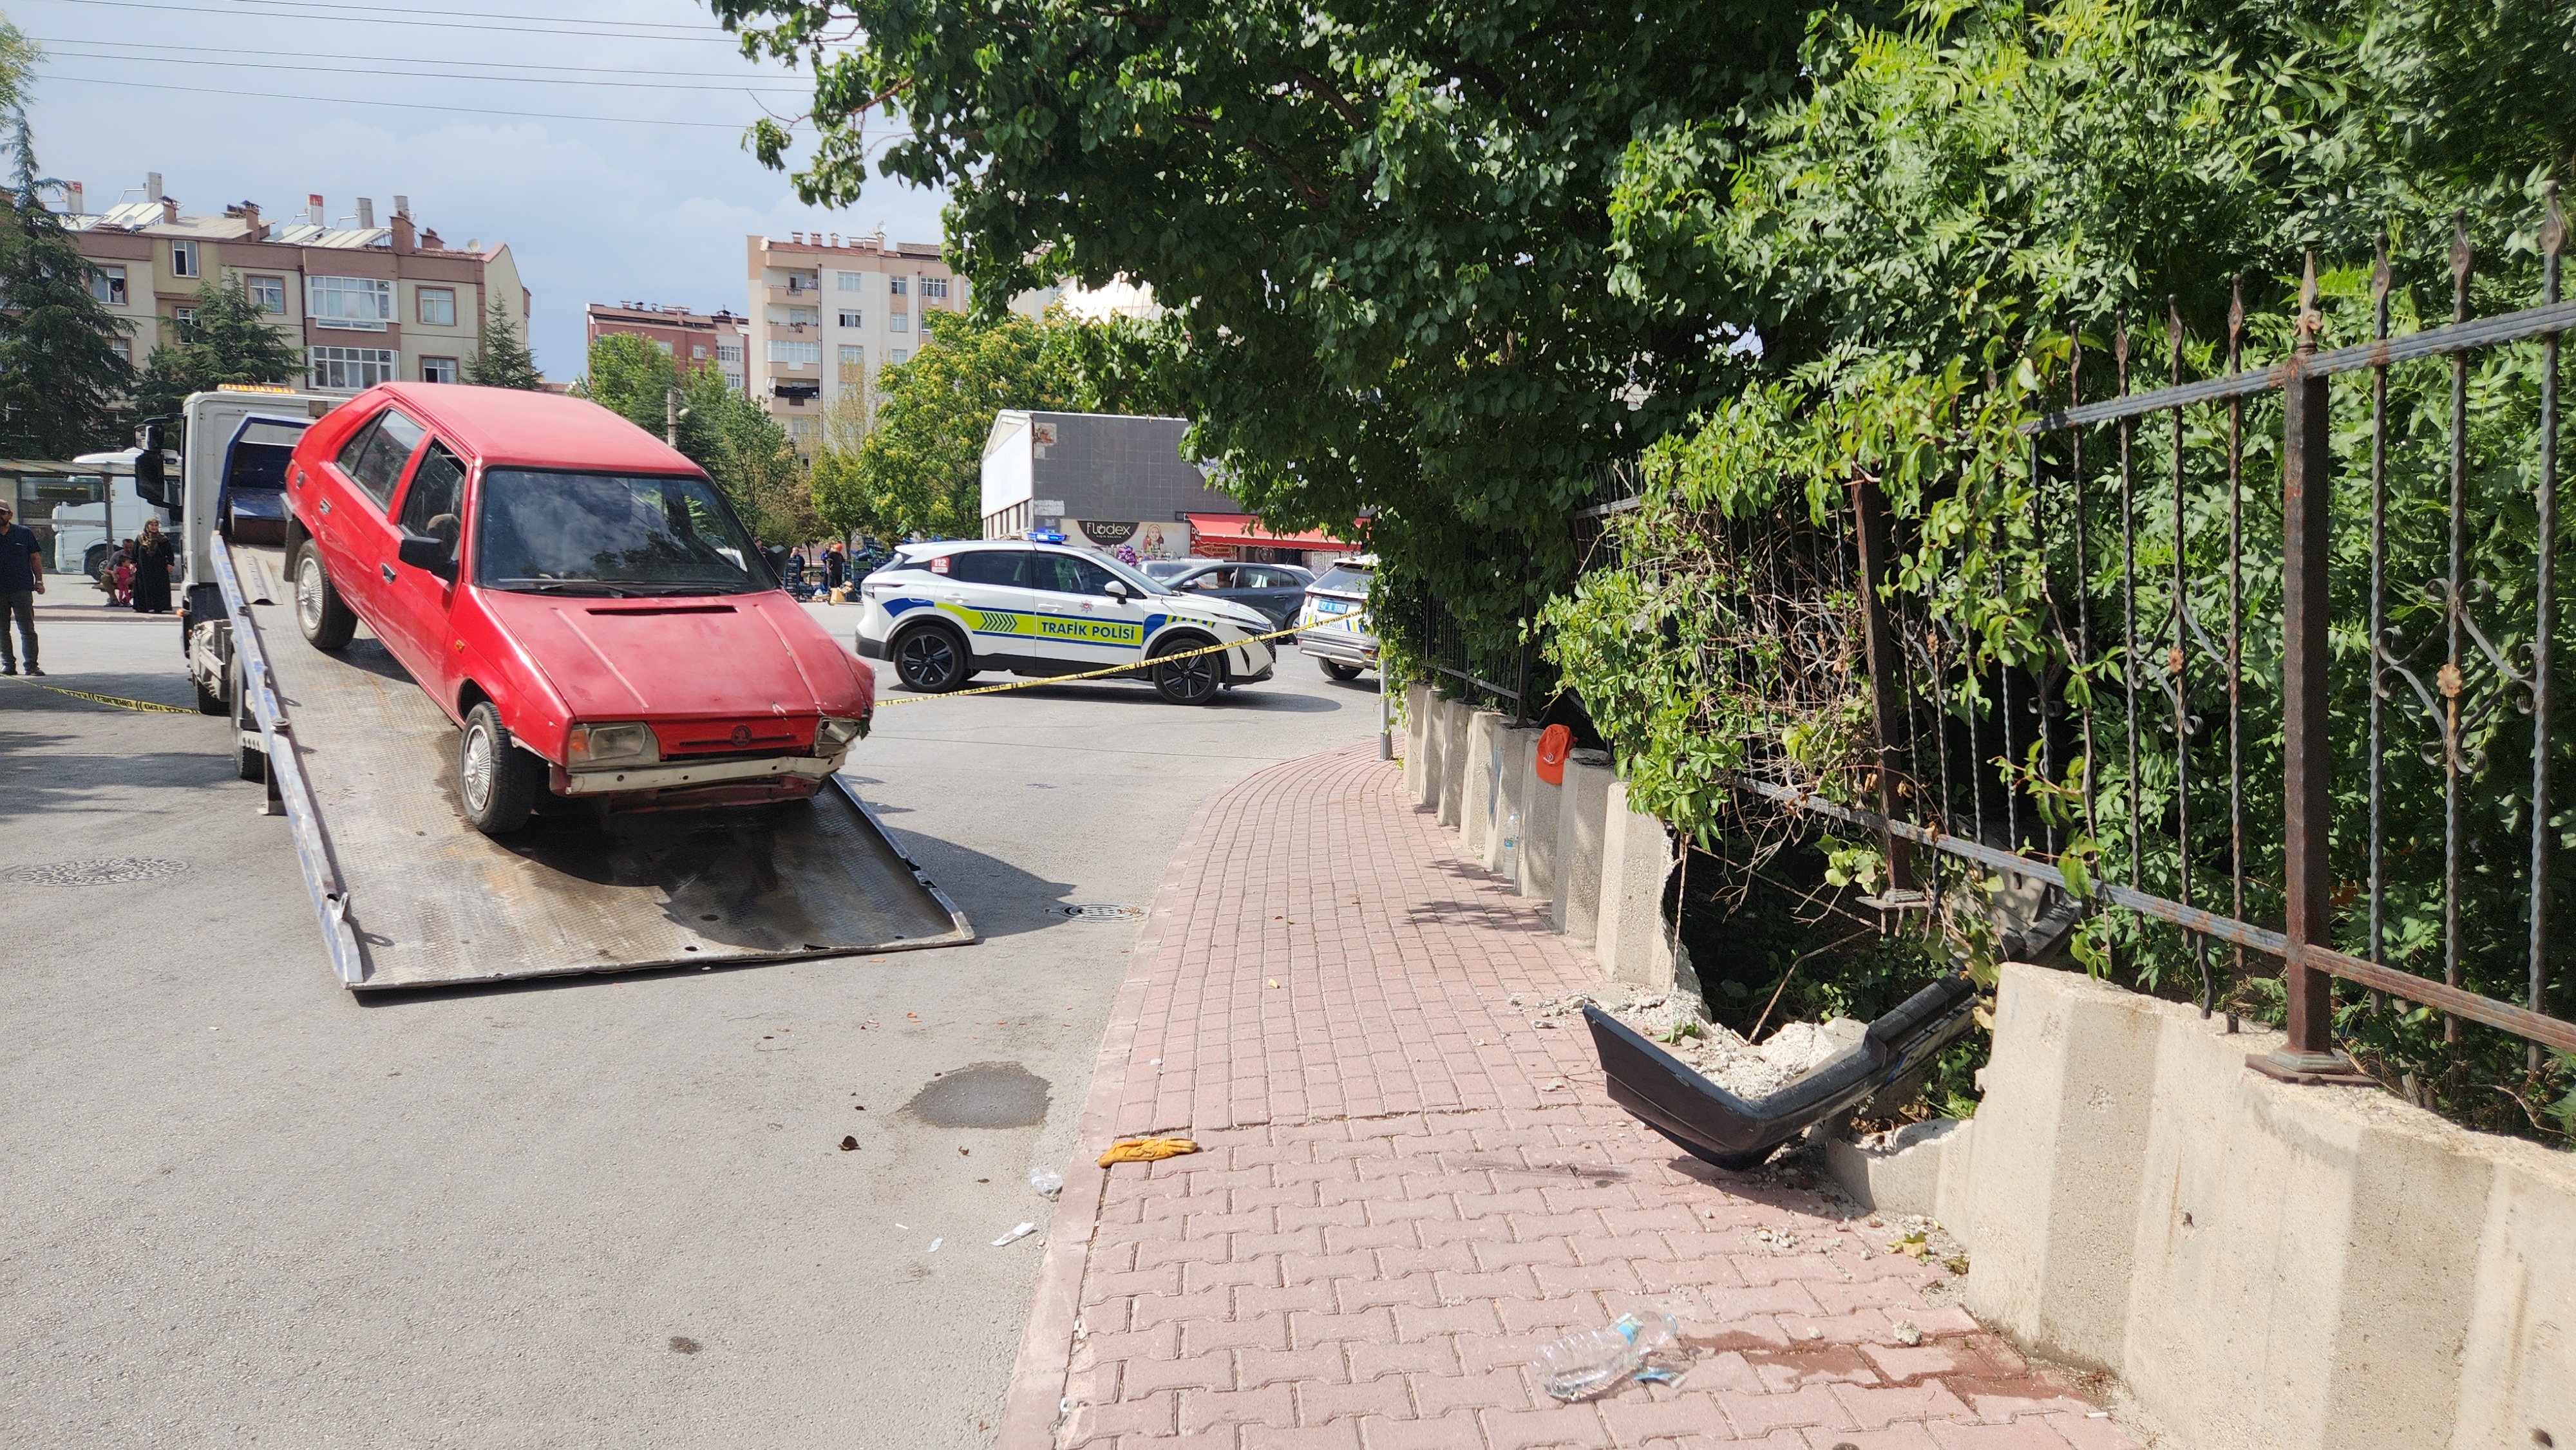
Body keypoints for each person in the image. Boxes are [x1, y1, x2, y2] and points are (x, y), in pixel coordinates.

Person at [0, 501, 43, 676]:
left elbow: (34, 558)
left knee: (27, 629)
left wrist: (39, 581)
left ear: (10, 515)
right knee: (2, 629)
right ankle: (8, 664)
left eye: (2, 513)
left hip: (22, 589)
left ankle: (31, 665)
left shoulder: (24, 533)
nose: (0, 517)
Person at [130, 518, 175, 614]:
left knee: (158, 587)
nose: (154, 527)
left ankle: (158, 607)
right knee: (143, 587)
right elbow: (135, 552)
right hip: (143, 568)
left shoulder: (163, 539)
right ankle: (143, 607)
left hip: (159, 569)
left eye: (156, 525)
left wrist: (170, 564)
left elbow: (170, 553)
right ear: (147, 526)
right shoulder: (140, 538)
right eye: (152, 525)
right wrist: (132, 563)